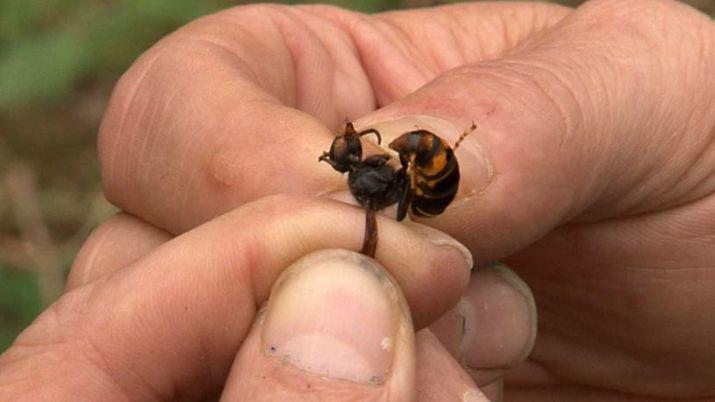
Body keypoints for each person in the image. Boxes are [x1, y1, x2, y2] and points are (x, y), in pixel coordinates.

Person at [2, 0, 714, 400]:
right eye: (343, 152)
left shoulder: (386, 166)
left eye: (344, 150)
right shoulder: (369, 175)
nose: (341, 150)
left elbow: (384, 174)